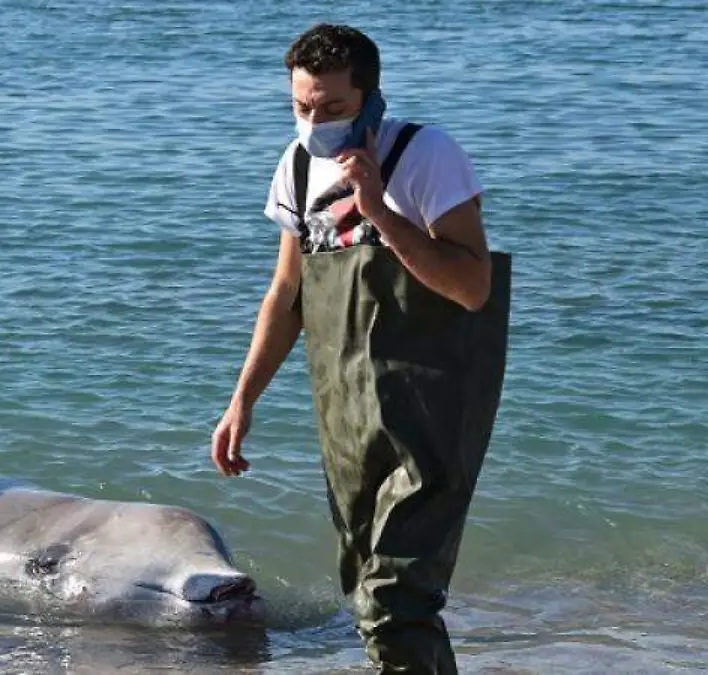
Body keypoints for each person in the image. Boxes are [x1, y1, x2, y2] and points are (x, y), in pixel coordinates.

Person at [211, 24, 511, 674]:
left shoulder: (427, 156)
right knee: (372, 590)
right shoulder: (295, 167)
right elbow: (287, 295)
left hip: (434, 403)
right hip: (346, 407)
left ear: (372, 100)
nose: (314, 122)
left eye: (334, 108)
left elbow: (472, 286)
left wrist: (379, 210)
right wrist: (243, 399)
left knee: (393, 597)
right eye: (302, 107)